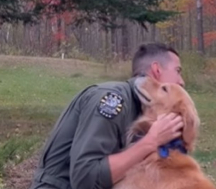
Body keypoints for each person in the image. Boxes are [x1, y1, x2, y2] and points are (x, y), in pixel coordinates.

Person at [29, 43, 186, 189]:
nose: (181, 82)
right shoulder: (112, 100)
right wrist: (150, 142)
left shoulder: (142, 108)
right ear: (157, 70)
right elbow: (85, 178)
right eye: (177, 71)